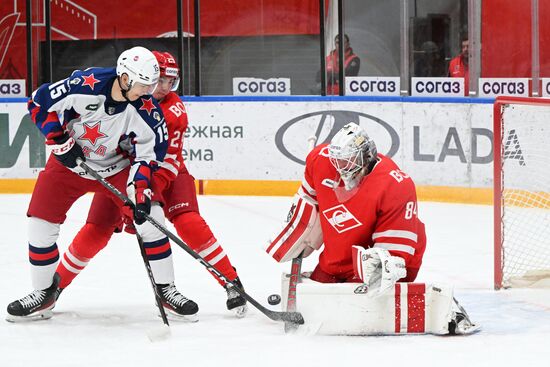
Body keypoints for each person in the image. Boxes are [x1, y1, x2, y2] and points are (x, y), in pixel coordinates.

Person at [6, 46, 198, 322]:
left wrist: (140, 190)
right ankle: (43, 295)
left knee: (152, 216)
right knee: (40, 225)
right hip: (68, 163)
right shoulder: (85, 85)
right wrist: (59, 140)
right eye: (143, 84)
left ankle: (167, 290)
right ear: (125, 77)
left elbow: (149, 154)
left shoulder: (147, 109)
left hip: (116, 166)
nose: (148, 91)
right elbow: (38, 102)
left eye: (151, 85)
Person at [53, 51, 248, 319]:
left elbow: (166, 163)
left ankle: (231, 282)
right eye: (160, 81)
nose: (165, 88)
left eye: (171, 82)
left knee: (189, 222)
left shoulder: (173, 111)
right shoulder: (120, 97)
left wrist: (142, 198)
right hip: (122, 172)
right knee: (96, 230)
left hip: (167, 174)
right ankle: (53, 287)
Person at [266, 123, 477, 335]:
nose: (341, 168)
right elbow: (308, 200)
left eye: (348, 161)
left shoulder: (395, 184)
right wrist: (299, 229)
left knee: (360, 302)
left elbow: (393, 255)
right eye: (337, 161)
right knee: (318, 295)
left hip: (386, 258)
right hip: (337, 258)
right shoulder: (319, 159)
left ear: (366, 155)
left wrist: (377, 266)